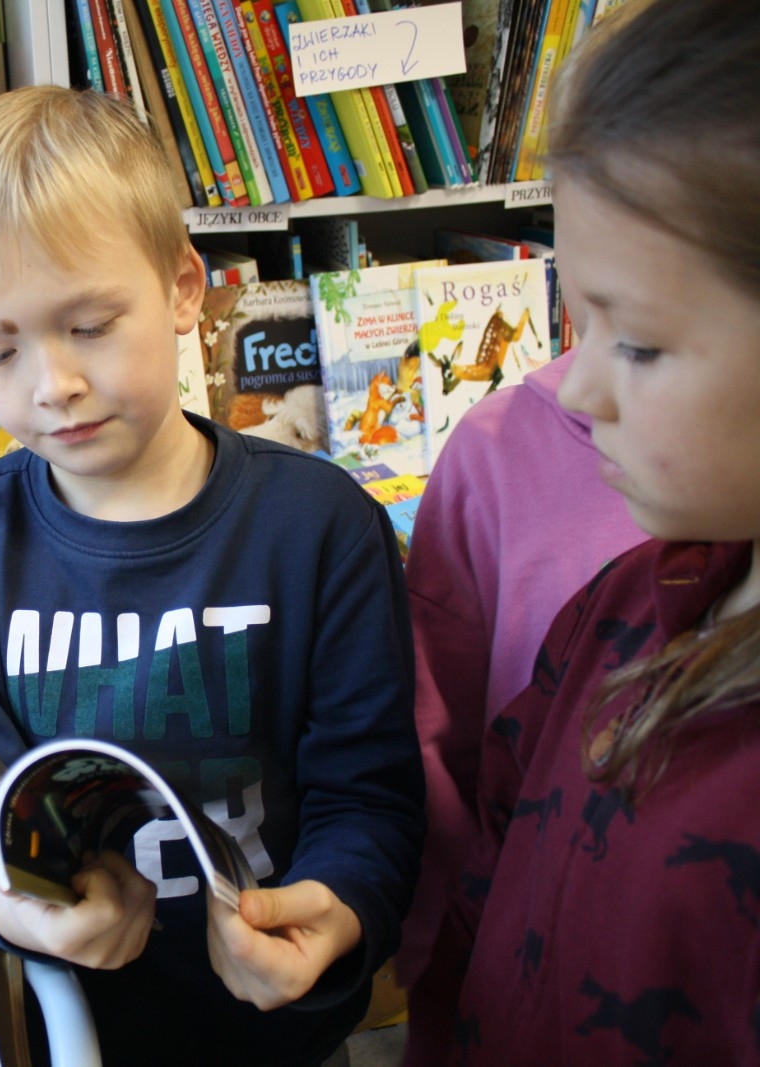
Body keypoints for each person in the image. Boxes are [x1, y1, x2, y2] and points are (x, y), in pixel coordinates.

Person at [0, 85, 425, 1066]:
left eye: (91, 325)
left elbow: (372, 797)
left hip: (281, 1031)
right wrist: (14, 911)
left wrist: (338, 910)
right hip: (68, 1033)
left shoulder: (320, 526)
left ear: (183, 289)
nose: (51, 384)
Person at [404, 0, 760, 1061]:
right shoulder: (617, 607)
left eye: (637, 343)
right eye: (579, 318)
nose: (577, 388)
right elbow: (484, 879)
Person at [397, 348, 645, 1057]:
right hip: (520, 982)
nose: (585, 387)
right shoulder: (496, 450)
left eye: (644, 340)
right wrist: (437, 959)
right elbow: (439, 738)